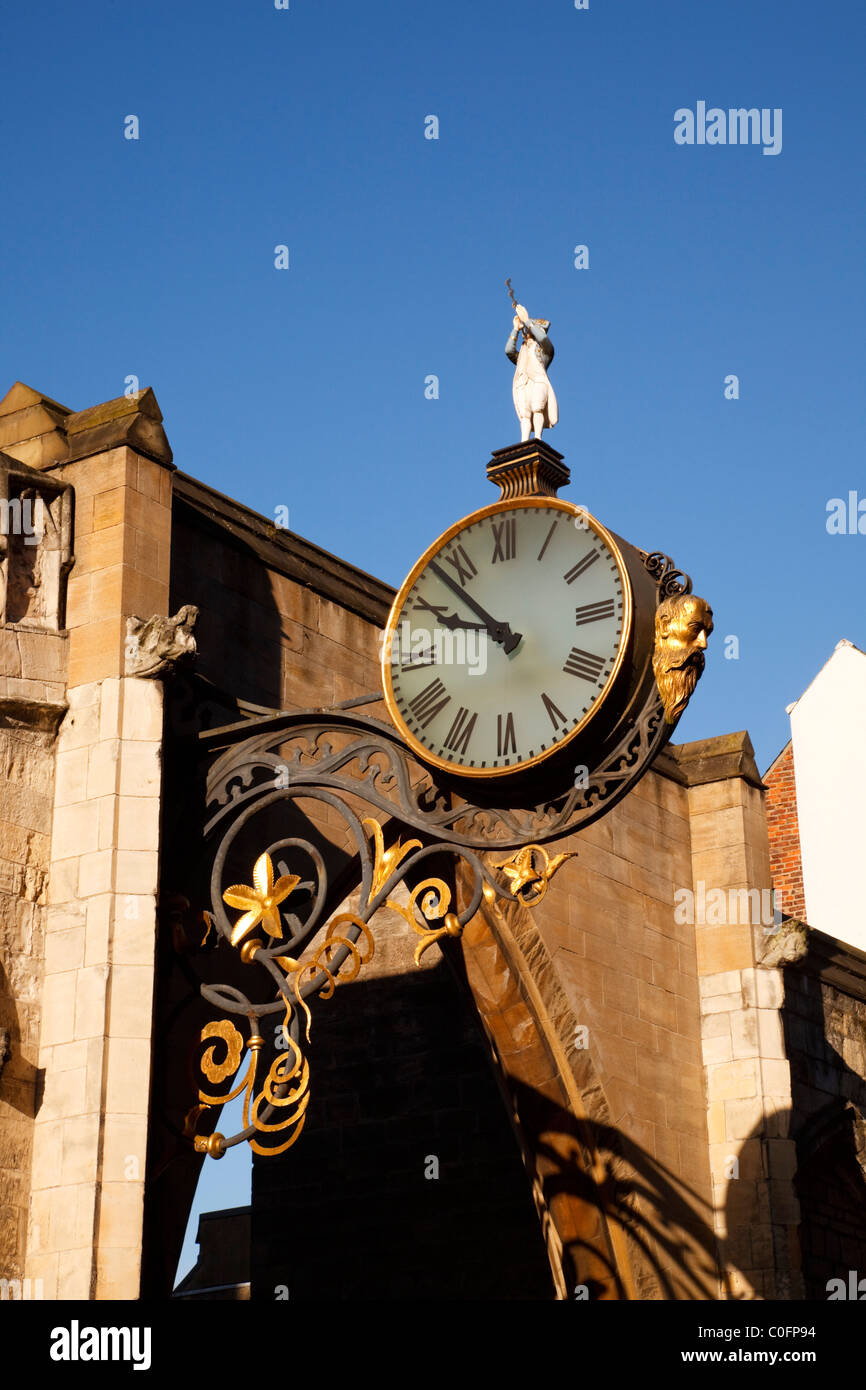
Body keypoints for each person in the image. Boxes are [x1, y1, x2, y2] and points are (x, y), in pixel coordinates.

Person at [505, 302, 558, 441]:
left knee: (537, 408)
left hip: (538, 382)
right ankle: (524, 440)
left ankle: (538, 437)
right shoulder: (522, 354)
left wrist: (527, 320)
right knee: (525, 414)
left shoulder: (546, 351)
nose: (527, 333)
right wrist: (515, 329)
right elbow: (509, 351)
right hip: (523, 382)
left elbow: (543, 338)